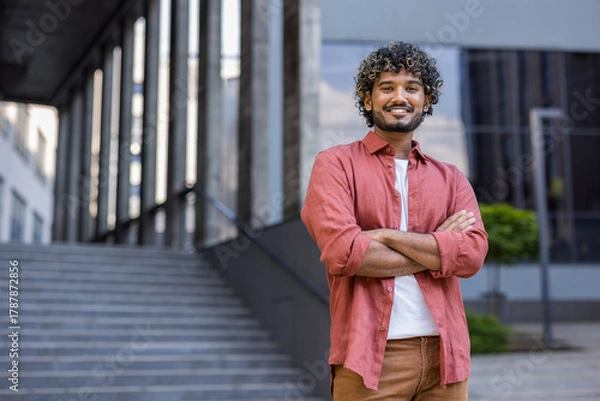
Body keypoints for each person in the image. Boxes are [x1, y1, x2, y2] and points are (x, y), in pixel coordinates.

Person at [301, 41, 489, 400]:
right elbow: (345, 252)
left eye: (411, 88)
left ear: (427, 101)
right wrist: (438, 247)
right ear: (368, 99)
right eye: (386, 87)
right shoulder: (336, 165)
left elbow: (472, 256)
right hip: (370, 359)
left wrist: (385, 236)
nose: (398, 96)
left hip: (446, 360)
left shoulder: (451, 178)